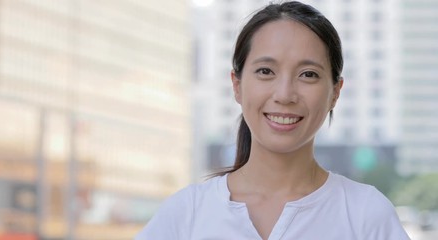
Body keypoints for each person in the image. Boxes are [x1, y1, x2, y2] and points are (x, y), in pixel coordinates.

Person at [135, 1, 410, 239]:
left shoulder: (365, 213)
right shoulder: (187, 212)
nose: (285, 94)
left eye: (308, 74)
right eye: (266, 71)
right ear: (237, 85)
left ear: (335, 92)